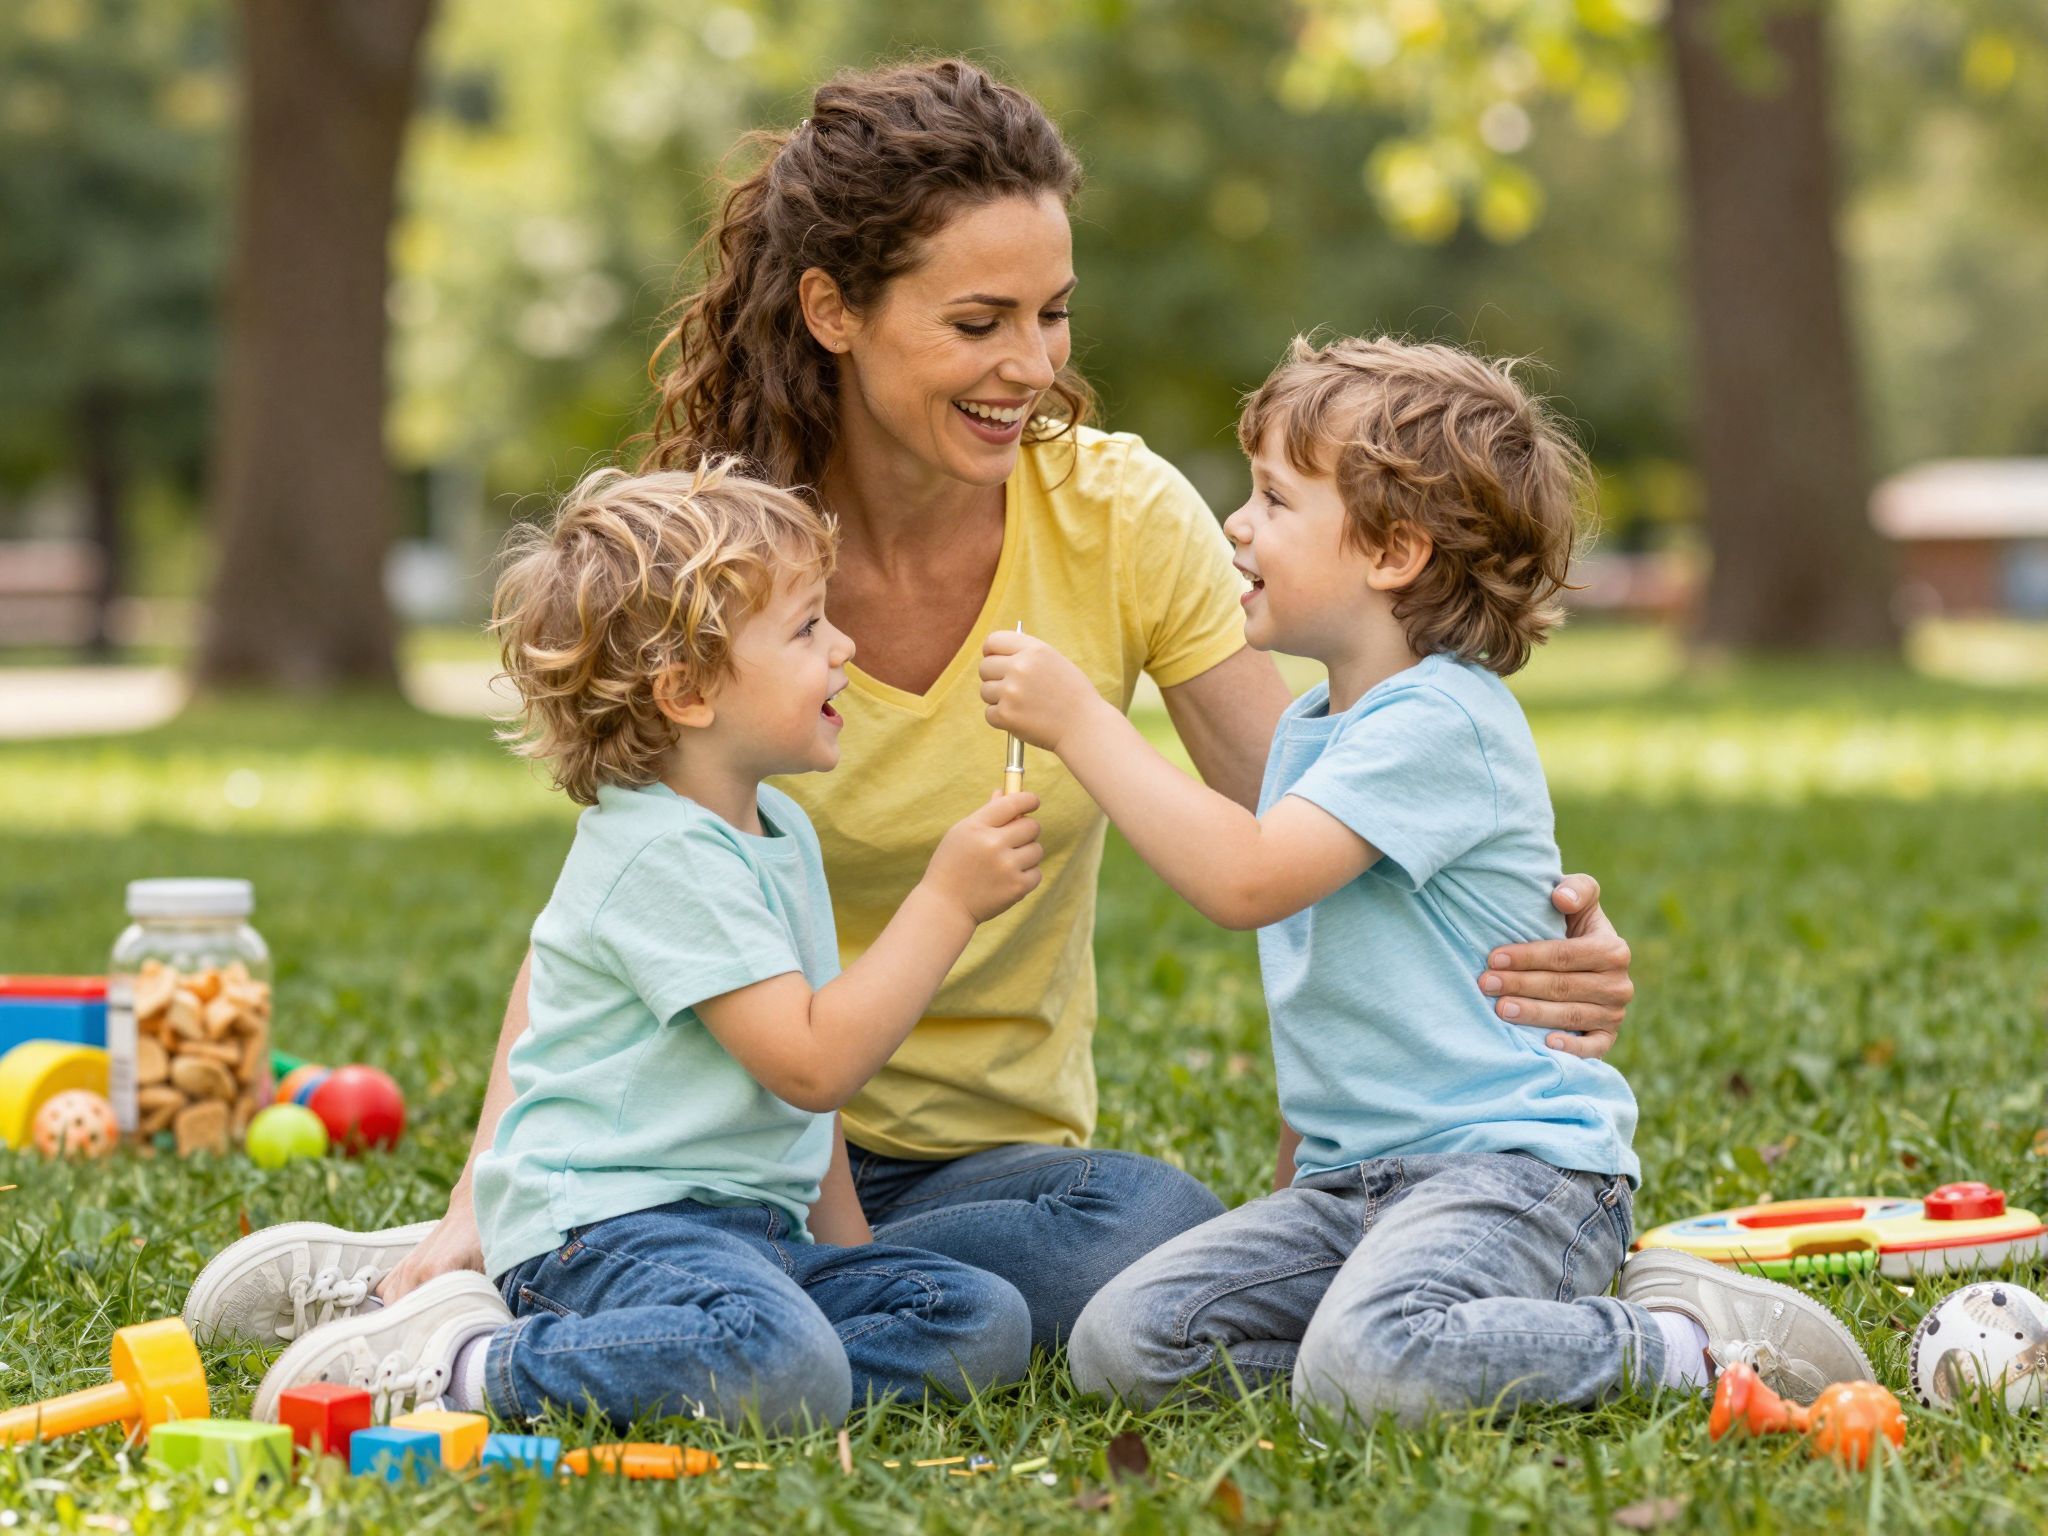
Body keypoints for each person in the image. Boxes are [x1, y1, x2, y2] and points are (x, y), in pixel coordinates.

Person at [184, 60, 1637, 1360]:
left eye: (1054, 313)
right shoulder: (727, 563)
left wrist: (1533, 931)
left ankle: (674, 1293)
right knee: (1035, 1291)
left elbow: (1303, 829)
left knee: (1143, 1233)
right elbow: (608, 899)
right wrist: (477, 1192)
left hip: (975, 1168)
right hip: (710, 1136)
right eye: (978, 320)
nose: (1035, 366)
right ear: (835, 310)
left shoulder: (1123, 518)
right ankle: (517, 1265)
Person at [983, 337, 1871, 1421]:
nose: (1237, 523)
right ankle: (1415, 1355)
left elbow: (1247, 883)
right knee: (1125, 1347)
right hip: (1352, 1192)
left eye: (1271, 497)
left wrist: (1082, 719)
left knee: (1368, 1363)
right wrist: (1294, 1196)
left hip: (1511, 1178)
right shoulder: (1318, 727)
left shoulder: (1443, 719)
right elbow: (1343, 1002)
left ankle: (1681, 1344)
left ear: (1393, 551)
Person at [239, 462, 1039, 1429]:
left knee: (977, 1318)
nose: (845, 646)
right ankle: (462, 1365)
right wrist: (947, 901)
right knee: (776, 1355)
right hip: (611, 1230)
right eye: (807, 628)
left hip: (752, 1237)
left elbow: (806, 1128)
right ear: (688, 692)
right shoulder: (658, 852)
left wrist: (851, 1259)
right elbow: (814, 1063)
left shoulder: (776, 829)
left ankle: (741, 1372)